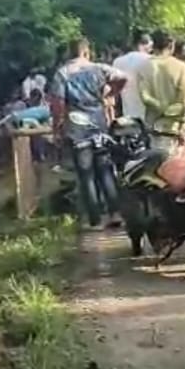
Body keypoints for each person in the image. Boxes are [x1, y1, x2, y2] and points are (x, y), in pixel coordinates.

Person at [49, 38, 127, 234]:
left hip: (77, 126)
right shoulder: (99, 68)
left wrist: (57, 126)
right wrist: (109, 94)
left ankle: (95, 220)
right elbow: (122, 77)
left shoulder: (62, 73)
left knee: (86, 174)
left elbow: (57, 103)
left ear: (70, 53)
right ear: (86, 52)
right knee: (105, 169)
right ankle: (116, 213)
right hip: (99, 122)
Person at [137, 30, 185, 154]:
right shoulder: (181, 67)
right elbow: (183, 101)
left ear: (153, 45)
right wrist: (183, 124)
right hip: (173, 129)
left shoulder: (144, 66)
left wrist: (160, 107)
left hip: (152, 128)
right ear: (171, 46)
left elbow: (144, 97)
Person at [113, 30, 153, 121]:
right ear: (147, 44)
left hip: (127, 115)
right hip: (148, 117)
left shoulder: (118, 62)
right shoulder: (152, 61)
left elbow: (116, 94)